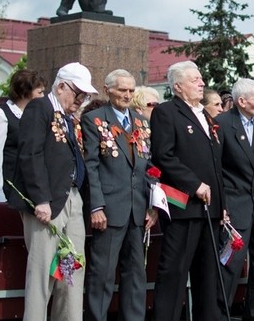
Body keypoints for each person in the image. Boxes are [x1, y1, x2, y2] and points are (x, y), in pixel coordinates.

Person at [10, 62, 98, 321]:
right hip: (48, 202)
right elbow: (30, 154)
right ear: (61, 87)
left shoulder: (66, 116)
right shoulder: (40, 108)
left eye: (86, 96)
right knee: (42, 272)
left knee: (71, 270)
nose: (81, 100)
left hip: (71, 198)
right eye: (79, 94)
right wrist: (41, 199)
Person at [149, 61, 225, 321]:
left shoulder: (206, 115)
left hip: (210, 208)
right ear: (178, 86)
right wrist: (194, 185)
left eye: (201, 78)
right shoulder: (166, 112)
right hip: (183, 205)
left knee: (208, 274)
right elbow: (164, 155)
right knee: (175, 271)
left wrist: (221, 203)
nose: (202, 83)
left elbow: (215, 162)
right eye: (195, 80)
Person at [82, 69, 157, 321]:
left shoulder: (142, 122)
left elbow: (151, 167)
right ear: (107, 90)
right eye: (122, 90)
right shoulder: (94, 119)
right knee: (102, 273)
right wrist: (96, 206)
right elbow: (90, 165)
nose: (127, 95)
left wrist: (152, 204)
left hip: (138, 209)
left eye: (130, 90)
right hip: (109, 208)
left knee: (136, 274)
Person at [216, 78, 254, 321]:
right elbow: (216, 169)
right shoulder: (221, 124)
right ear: (242, 101)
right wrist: (222, 206)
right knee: (230, 262)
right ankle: (221, 313)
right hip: (234, 203)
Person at [0, 69, 47, 202]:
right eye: (39, 92)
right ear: (25, 92)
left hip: (29, 190)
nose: (43, 97)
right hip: (8, 191)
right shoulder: (0, 116)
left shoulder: (35, 117)